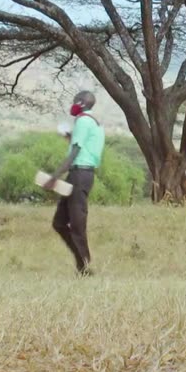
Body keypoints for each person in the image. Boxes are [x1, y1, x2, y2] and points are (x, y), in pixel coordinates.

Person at [45, 90, 105, 276]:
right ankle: (81, 262)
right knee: (59, 222)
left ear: (81, 102)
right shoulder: (93, 123)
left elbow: (75, 152)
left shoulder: (83, 121)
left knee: (77, 223)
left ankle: (85, 265)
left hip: (80, 174)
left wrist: (54, 176)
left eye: (74, 102)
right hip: (80, 175)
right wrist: (69, 137)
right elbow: (81, 144)